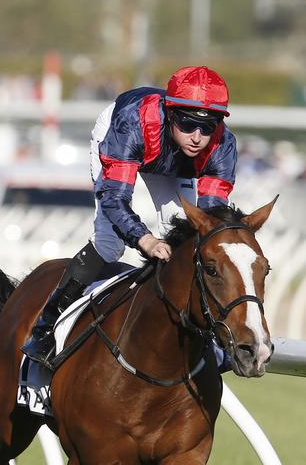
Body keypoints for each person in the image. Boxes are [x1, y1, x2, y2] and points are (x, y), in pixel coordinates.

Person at [21, 65, 237, 368]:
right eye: (188, 125)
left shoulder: (222, 144)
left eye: (208, 126)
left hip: (169, 160)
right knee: (110, 243)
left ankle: (204, 335)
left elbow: (211, 221)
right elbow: (114, 198)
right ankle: (45, 324)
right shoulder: (132, 124)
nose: (198, 137)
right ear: (171, 113)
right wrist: (144, 239)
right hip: (128, 140)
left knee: (188, 236)